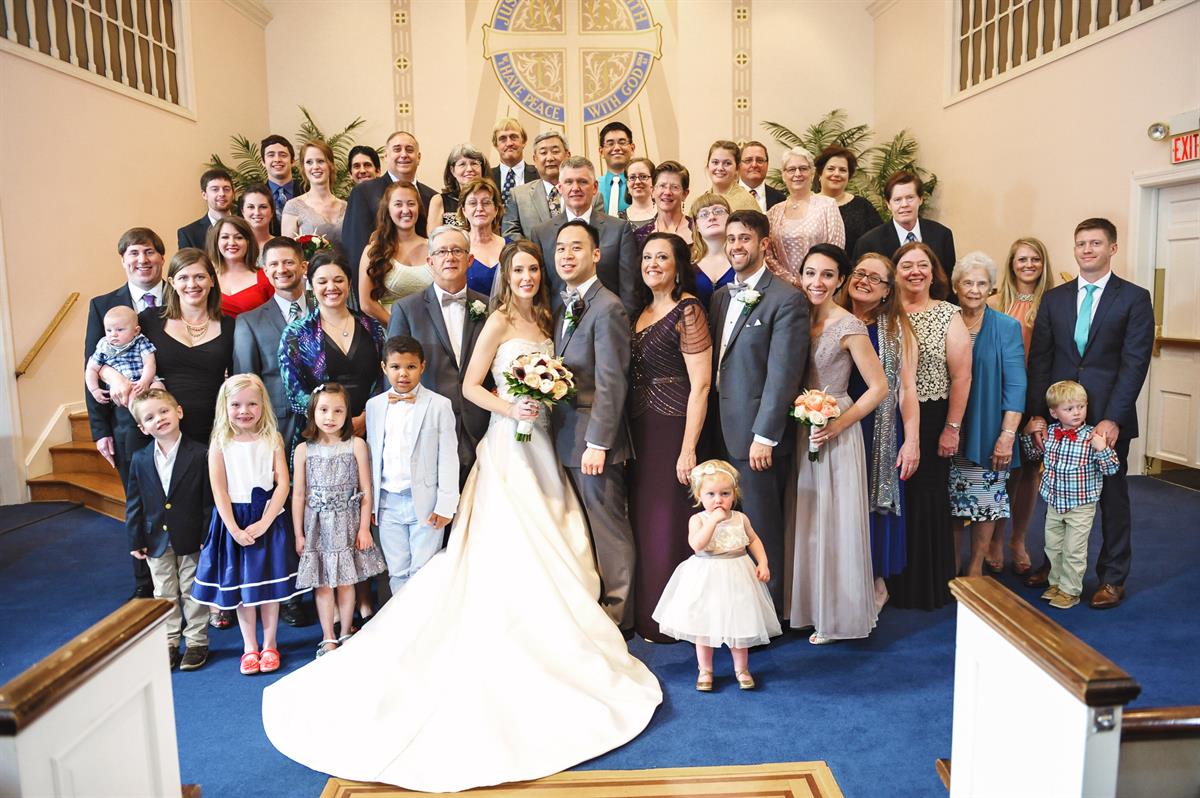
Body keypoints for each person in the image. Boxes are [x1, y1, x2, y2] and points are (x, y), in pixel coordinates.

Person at [261, 235, 661, 793]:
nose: (526, 278)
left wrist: (542, 400)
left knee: (560, 527)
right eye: (517, 271)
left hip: (546, 442)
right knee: (506, 541)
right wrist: (513, 405)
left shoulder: (550, 318)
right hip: (508, 443)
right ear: (505, 277)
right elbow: (472, 386)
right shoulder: (496, 321)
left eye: (532, 270)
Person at [1022, 218, 1154, 608]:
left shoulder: (1134, 298)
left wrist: (1113, 418)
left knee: (1112, 497)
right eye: (1081, 243)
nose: (1087, 249)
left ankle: (1112, 577)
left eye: (1095, 243)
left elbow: (1134, 363)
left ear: (1112, 248)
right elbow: (1041, 360)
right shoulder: (1055, 299)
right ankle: (1055, 567)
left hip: (1107, 417)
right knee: (1058, 495)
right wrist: (1038, 415)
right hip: (1060, 417)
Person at [708, 209, 808, 614]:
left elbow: (783, 375)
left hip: (755, 437)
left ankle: (769, 614)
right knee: (727, 526)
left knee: (761, 527)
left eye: (744, 238)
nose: (736, 245)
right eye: (731, 238)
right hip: (719, 428)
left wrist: (765, 435)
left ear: (764, 244)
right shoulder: (720, 296)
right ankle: (736, 611)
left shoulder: (787, 299)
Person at [789, 244, 886, 643]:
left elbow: (879, 387)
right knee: (808, 516)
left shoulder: (850, 326)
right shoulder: (796, 314)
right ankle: (807, 607)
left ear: (841, 280)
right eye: (810, 273)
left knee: (835, 519)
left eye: (827, 275)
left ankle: (837, 615)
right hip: (801, 423)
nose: (817, 282)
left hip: (836, 426)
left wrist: (838, 425)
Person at [551, 220, 637, 634]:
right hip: (565, 436)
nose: (567, 255)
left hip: (592, 440)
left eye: (576, 248)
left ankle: (620, 616)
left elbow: (612, 380)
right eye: (560, 248)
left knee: (608, 529)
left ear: (596, 255)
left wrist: (598, 442)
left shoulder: (608, 307)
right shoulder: (565, 304)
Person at [628, 232, 712, 642]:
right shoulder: (639, 310)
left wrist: (688, 448)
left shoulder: (688, 310)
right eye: (647, 257)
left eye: (662, 257)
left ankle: (674, 621)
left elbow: (701, 385)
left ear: (679, 266)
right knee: (644, 521)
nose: (652, 264)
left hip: (674, 426)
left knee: (667, 521)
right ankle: (647, 612)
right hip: (638, 427)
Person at [193, 374, 305, 675]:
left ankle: (270, 644)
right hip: (234, 522)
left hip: (267, 519)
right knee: (244, 589)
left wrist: (267, 521)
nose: (244, 411)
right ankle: (249, 646)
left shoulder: (272, 439)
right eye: (236, 405)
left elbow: (283, 484)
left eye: (252, 404)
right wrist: (233, 529)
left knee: (268, 586)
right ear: (225, 407)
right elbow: (219, 490)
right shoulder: (220, 442)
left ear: (263, 405)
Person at [887, 242, 971, 610]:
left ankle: (923, 586)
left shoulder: (948, 314)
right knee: (893, 496)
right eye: (906, 265)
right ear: (894, 272)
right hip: (886, 416)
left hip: (933, 414)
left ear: (934, 272)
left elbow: (962, 376)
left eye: (922, 265)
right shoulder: (884, 311)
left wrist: (952, 427)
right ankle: (889, 580)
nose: (915, 272)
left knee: (925, 496)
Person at [84, 229, 167, 596]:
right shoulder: (102, 305)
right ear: (123, 260)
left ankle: (186, 579)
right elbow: (90, 364)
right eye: (133, 253)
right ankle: (144, 583)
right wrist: (100, 430)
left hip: (172, 414)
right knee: (138, 500)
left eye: (148, 252)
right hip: (124, 422)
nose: (142, 260)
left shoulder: (180, 295)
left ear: (161, 257)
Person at [653, 460, 779, 690]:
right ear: (699, 496)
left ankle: (742, 669)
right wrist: (712, 521)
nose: (718, 500)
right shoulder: (698, 520)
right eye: (711, 494)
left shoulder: (740, 518)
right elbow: (697, 545)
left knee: (739, 623)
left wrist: (763, 562)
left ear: (734, 494)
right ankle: (705, 670)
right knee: (704, 626)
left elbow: (753, 540)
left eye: (725, 494)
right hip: (706, 576)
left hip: (737, 574)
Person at [841, 253, 920, 608]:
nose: (864, 281)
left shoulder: (896, 330)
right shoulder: (831, 316)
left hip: (880, 427)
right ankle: (843, 584)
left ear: (888, 290)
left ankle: (876, 584)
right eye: (860, 273)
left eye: (875, 278)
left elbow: (907, 390)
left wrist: (912, 440)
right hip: (837, 421)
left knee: (873, 506)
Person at [387, 227, 490, 482]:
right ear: (430, 262)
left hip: (482, 425)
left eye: (457, 251)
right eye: (442, 252)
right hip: (428, 425)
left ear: (470, 260)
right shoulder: (407, 309)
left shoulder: (489, 307)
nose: (450, 257)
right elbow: (394, 373)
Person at [292, 382, 386, 656]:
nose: (330, 417)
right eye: (323, 410)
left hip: (348, 524)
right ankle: (328, 635)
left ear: (347, 414)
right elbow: (299, 494)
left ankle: (345, 631)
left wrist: (364, 528)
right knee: (322, 584)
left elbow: (366, 489)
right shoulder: (304, 450)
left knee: (346, 581)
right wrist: (299, 533)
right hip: (317, 526)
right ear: (313, 412)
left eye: (338, 411)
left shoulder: (356, 445)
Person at [105, 249, 234, 447]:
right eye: (183, 278)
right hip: (151, 432)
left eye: (200, 277)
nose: (192, 284)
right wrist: (115, 378)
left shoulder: (231, 326)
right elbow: (102, 357)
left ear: (212, 280)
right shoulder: (149, 320)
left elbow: (237, 381)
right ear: (172, 282)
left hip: (210, 430)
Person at [948, 252, 1027, 577]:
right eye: (968, 282)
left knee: (986, 500)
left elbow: (1016, 385)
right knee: (949, 503)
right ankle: (950, 565)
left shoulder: (1007, 327)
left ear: (992, 289)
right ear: (955, 286)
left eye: (982, 284)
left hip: (987, 426)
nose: (975, 290)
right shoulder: (945, 319)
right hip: (946, 426)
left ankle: (975, 566)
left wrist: (1007, 435)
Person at [125, 388, 212, 671]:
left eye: (164, 411)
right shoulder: (140, 458)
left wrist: (206, 536)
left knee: (192, 589)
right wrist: (135, 538)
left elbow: (208, 502)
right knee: (163, 591)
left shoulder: (200, 453)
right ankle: (169, 642)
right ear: (142, 428)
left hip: (191, 536)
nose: (159, 419)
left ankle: (197, 641)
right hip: (155, 538)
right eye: (150, 417)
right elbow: (135, 502)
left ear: (179, 412)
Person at [366, 336, 459, 595]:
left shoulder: (439, 405)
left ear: (422, 367)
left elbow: (448, 458)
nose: (403, 374)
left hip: (425, 502)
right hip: (387, 502)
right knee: (397, 571)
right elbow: (373, 455)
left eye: (410, 367)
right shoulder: (374, 406)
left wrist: (446, 504)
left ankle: (424, 621)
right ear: (384, 367)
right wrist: (372, 503)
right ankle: (401, 620)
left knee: (423, 571)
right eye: (395, 367)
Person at [988, 237, 1054, 574]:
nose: (1028, 265)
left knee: (1029, 471)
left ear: (1044, 264)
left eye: (1035, 259)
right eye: (1022, 259)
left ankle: (1018, 539)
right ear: (1012, 264)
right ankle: (995, 538)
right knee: (1004, 470)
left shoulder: (1054, 303)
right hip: (1000, 397)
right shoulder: (994, 302)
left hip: (1036, 398)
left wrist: (1039, 409)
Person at [281, 250, 386, 440]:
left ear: (349, 283)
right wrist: (333, 421)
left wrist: (366, 417)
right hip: (321, 434)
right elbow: (295, 391)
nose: (331, 287)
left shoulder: (372, 327)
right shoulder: (296, 333)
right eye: (322, 282)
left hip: (372, 428)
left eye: (338, 280)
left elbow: (384, 375)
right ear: (311, 285)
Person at [1036, 381, 1121, 609]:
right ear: (1054, 413)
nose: (1077, 413)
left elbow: (1111, 469)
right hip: (1054, 502)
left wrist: (1102, 449)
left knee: (1074, 551)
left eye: (1081, 407)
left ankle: (1070, 591)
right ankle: (1056, 584)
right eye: (1069, 408)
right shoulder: (1050, 434)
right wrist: (1028, 434)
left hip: (1080, 506)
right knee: (1053, 547)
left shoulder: (1091, 437)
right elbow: (1034, 454)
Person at [531, 156, 639, 319]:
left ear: (595, 187)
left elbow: (629, 289)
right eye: (569, 182)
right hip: (558, 325)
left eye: (582, 182)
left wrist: (623, 325)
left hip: (607, 323)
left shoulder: (619, 230)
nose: (575, 188)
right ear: (560, 188)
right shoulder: (541, 233)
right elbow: (542, 289)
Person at [233, 236, 309, 454]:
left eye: (288, 262)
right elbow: (246, 382)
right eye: (274, 264)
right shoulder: (249, 322)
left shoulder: (323, 310)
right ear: (265, 271)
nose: (281, 269)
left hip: (326, 420)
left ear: (303, 267)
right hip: (277, 424)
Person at [342, 131, 438, 275]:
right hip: (379, 281)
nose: (404, 154)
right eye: (397, 149)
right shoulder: (364, 192)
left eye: (409, 150)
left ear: (418, 157)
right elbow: (355, 248)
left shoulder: (432, 197)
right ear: (386, 156)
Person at [852, 172, 956, 297]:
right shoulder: (869, 242)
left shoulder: (942, 235)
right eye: (897, 200)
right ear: (888, 204)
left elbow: (948, 283)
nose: (904, 204)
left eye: (910, 198)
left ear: (920, 199)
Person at [765, 147, 845, 288]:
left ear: (812, 173)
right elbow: (768, 255)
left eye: (803, 168)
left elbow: (835, 249)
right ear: (784, 175)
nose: (798, 174)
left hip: (820, 287)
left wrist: (812, 281)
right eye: (791, 169)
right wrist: (793, 281)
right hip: (785, 289)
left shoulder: (828, 206)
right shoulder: (773, 213)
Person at [357, 179, 431, 323]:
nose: (406, 210)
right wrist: (398, 328)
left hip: (431, 329)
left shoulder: (434, 248)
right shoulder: (374, 251)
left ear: (419, 208)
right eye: (398, 204)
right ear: (388, 210)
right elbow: (366, 303)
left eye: (411, 204)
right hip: (392, 330)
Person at [85, 305, 158, 409]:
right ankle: (142, 416)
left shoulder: (140, 341)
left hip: (146, 379)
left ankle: (159, 412)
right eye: (109, 330)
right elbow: (91, 369)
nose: (113, 334)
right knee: (132, 397)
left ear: (136, 331)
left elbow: (149, 363)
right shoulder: (104, 347)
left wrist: (145, 381)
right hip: (124, 387)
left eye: (119, 330)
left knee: (159, 387)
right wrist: (94, 389)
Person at [815, 146, 882, 257]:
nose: (836, 174)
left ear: (848, 176)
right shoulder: (808, 205)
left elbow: (879, 241)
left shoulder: (862, 206)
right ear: (820, 173)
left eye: (843, 170)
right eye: (831, 169)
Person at [281, 140, 348, 245]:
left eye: (320, 161)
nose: (315, 167)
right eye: (309, 162)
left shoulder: (347, 207)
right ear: (303, 168)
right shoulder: (293, 207)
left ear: (330, 165)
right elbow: (287, 250)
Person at [205, 215, 272, 318]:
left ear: (248, 242)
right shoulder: (205, 278)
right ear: (216, 242)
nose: (232, 243)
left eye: (239, 237)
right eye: (225, 237)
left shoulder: (266, 277)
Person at [457, 177, 505, 294]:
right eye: (473, 203)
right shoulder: (456, 249)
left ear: (496, 210)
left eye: (486, 203)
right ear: (464, 211)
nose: (479, 208)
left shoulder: (510, 247)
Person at [633, 160, 693, 251]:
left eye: (675, 187)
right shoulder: (639, 236)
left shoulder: (699, 230)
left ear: (685, 194)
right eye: (662, 186)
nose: (667, 192)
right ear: (652, 191)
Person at [426, 143, 488, 229]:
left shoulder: (491, 199)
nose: (469, 169)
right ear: (452, 171)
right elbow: (433, 235)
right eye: (462, 164)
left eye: (474, 163)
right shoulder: (439, 201)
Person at [689, 193, 735, 308]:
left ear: (730, 218)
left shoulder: (745, 257)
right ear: (696, 226)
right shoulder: (687, 262)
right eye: (703, 214)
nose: (711, 217)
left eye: (718, 211)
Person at [177, 168, 233, 250]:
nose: (222, 194)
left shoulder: (246, 226)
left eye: (226, 189)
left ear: (233, 194)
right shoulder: (188, 234)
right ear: (204, 195)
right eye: (215, 189)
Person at [490, 117, 538, 206]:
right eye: (503, 139)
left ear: (524, 142)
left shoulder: (539, 176)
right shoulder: (486, 176)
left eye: (514, 137)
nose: (509, 143)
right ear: (496, 145)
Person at [705, 140, 758, 213]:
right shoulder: (701, 201)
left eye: (727, 163)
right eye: (715, 162)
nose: (720, 168)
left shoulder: (747, 202)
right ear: (708, 166)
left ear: (737, 169)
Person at [598, 121, 635, 217]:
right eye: (610, 144)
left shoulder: (643, 184)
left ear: (632, 148)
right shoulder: (593, 187)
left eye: (622, 142)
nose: (617, 148)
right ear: (601, 152)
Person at [738, 140, 785, 213]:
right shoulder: (726, 196)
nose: (754, 165)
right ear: (739, 165)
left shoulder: (781, 200)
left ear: (767, 164)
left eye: (760, 160)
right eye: (748, 160)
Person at [262, 134, 302, 217]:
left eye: (283, 155)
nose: (277, 160)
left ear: (292, 161)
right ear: (263, 162)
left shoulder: (308, 191)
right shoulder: (250, 198)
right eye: (271, 155)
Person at [238, 183, 276, 255]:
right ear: (242, 211)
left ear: (272, 211)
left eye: (263, 207)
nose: (257, 212)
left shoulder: (282, 246)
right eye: (251, 207)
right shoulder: (235, 247)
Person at [622, 157, 656, 226]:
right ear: (627, 184)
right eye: (632, 177)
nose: (637, 182)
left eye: (643, 176)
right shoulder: (618, 219)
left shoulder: (666, 213)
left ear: (653, 181)